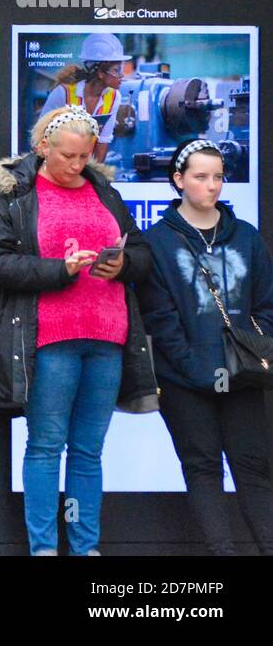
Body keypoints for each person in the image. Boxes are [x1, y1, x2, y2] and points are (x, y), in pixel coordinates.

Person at [0, 106, 157, 555]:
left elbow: (145, 254)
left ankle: (85, 547)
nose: (77, 166)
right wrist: (58, 270)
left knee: (89, 451)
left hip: (107, 336)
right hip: (49, 338)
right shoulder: (16, 192)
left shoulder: (103, 189)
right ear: (42, 148)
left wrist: (124, 264)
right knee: (46, 446)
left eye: (84, 156)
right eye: (68, 156)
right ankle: (43, 548)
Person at [137, 140, 273, 554]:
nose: (211, 186)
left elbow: (265, 303)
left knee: (253, 469)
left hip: (243, 373)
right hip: (184, 378)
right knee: (202, 467)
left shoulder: (246, 236)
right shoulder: (157, 242)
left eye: (218, 176)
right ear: (178, 180)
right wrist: (195, 369)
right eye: (200, 177)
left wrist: (258, 349)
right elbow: (159, 318)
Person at [39, 32, 131, 164]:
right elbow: (41, 135)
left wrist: (96, 176)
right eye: (117, 70)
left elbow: (103, 140)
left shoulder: (114, 97)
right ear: (100, 73)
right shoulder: (63, 93)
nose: (122, 75)